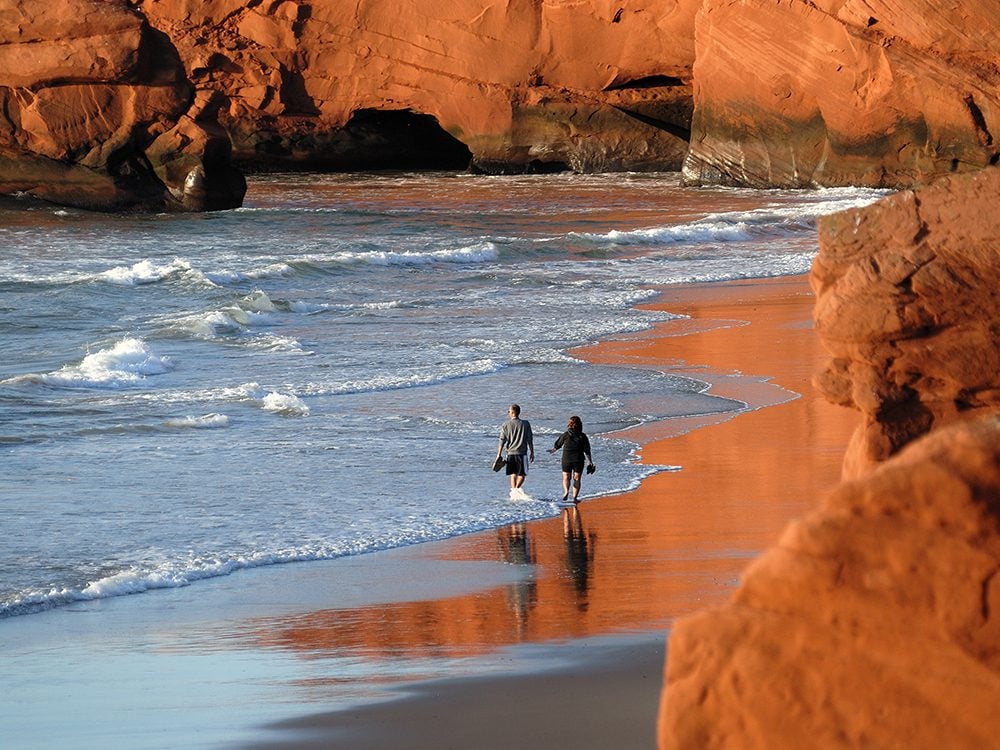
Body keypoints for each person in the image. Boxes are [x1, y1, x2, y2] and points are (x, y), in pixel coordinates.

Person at [547, 415, 594, 503]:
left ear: (569, 424)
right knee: (577, 479)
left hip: (566, 458)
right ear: (580, 425)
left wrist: (553, 450)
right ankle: (575, 498)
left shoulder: (566, 434)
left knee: (566, 477)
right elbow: (587, 450)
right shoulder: (583, 436)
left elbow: (558, 444)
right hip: (578, 459)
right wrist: (590, 461)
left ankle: (566, 492)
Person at [497, 404, 534, 499]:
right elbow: (529, 439)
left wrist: (499, 455)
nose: (508, 413)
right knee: (523, 474)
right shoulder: (526, 424)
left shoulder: (505, 425)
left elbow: (502, 441)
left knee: (513, 474)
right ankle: (516, 490)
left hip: (511, 453)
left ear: (513, 412)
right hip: (522, 453)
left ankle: (514, 492)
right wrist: (532, 452)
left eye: (509, 411)